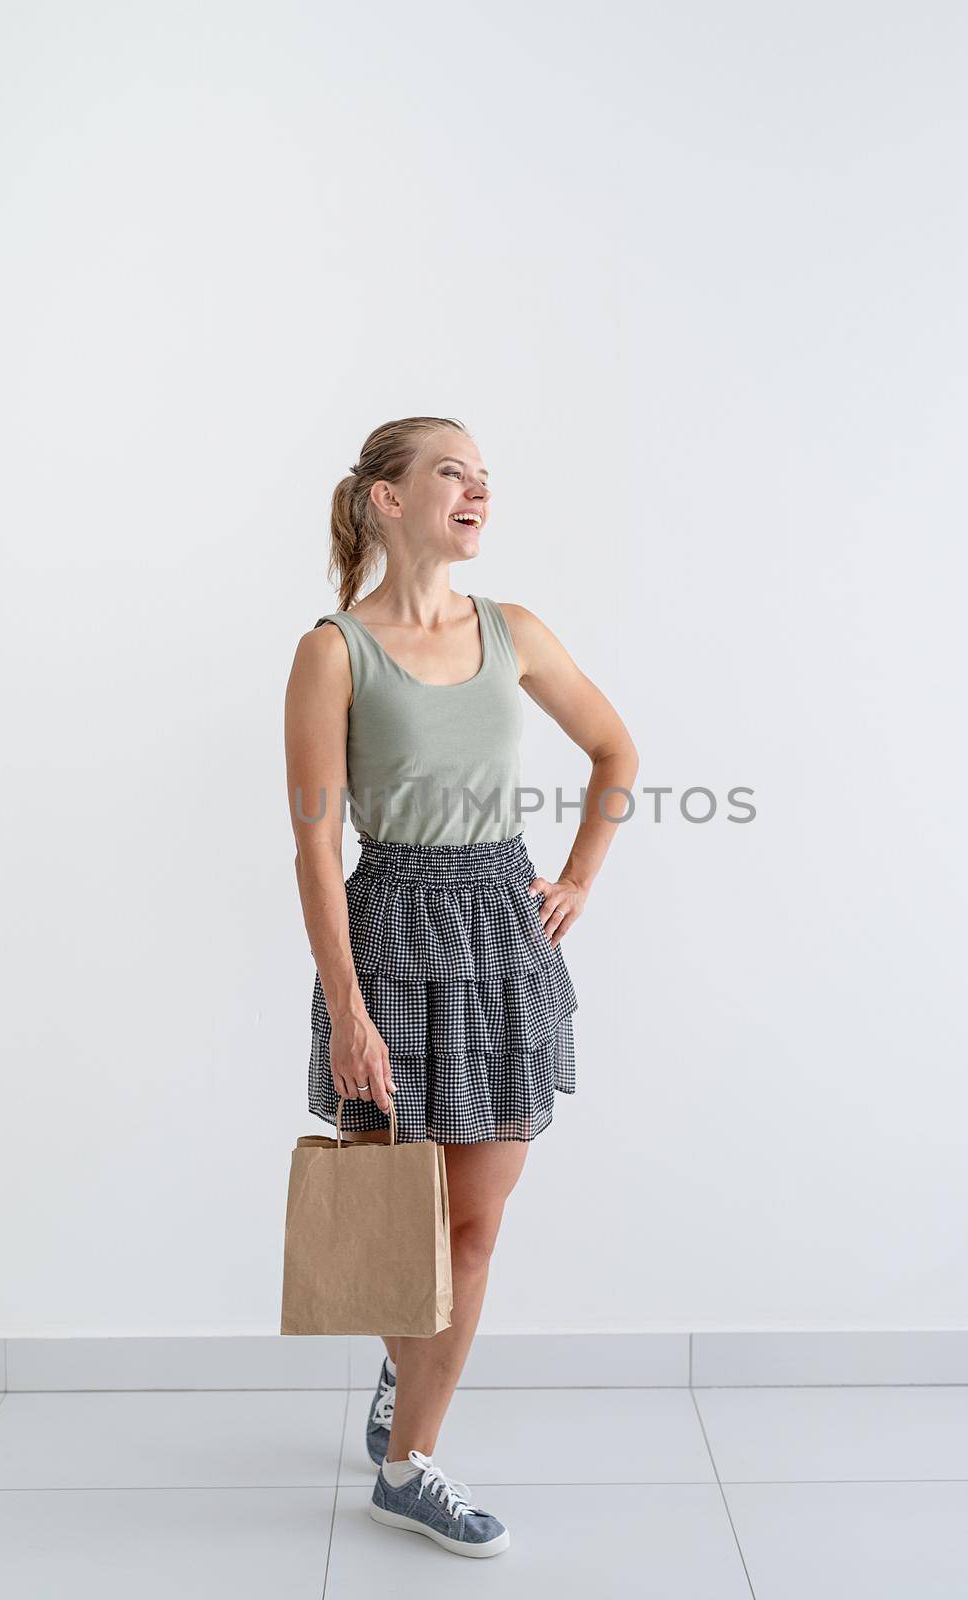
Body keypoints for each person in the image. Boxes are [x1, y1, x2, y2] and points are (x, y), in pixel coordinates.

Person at [284, 415, 638, 1557]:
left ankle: (407, 1461)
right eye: (453, 473)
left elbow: (616, 750)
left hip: (503, 931)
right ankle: (409, 1408)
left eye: (485, 478)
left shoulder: (514, 629)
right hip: (391, 935)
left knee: (476, 1225)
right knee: (407, 1220)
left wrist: (579, 875)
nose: (477, 490)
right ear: (388, 499)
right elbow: (316, 845)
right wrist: (346, 1004)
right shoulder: (334, 649)